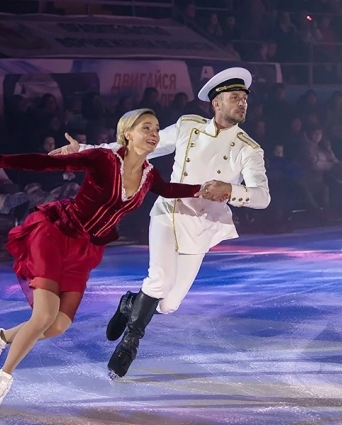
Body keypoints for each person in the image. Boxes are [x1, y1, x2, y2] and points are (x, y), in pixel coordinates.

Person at [0, 109, 232, 413]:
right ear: (127, 133)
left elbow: (167, 190)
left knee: (58, 325)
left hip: (85, 249)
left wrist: (202, 190)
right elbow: (48, 163)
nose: (154, 134)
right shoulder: (104, 159)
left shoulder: (149, 174)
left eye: (156, 129)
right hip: (56, 234)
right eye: (146, 127)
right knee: (44, 315)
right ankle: (3, 378)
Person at [50, 67, 271, 379]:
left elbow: (262, 197)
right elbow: (137, 148)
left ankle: (130, 303)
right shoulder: (188, 127)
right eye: (235, 97)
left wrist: (231, 190)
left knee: (168, 304)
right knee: (158, 280)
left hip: (202, 225)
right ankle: (129, 345)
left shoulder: (249, 149)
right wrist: (84, 151)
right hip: (169, 213)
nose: (242, 103)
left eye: (244, 98)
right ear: (216, 103)